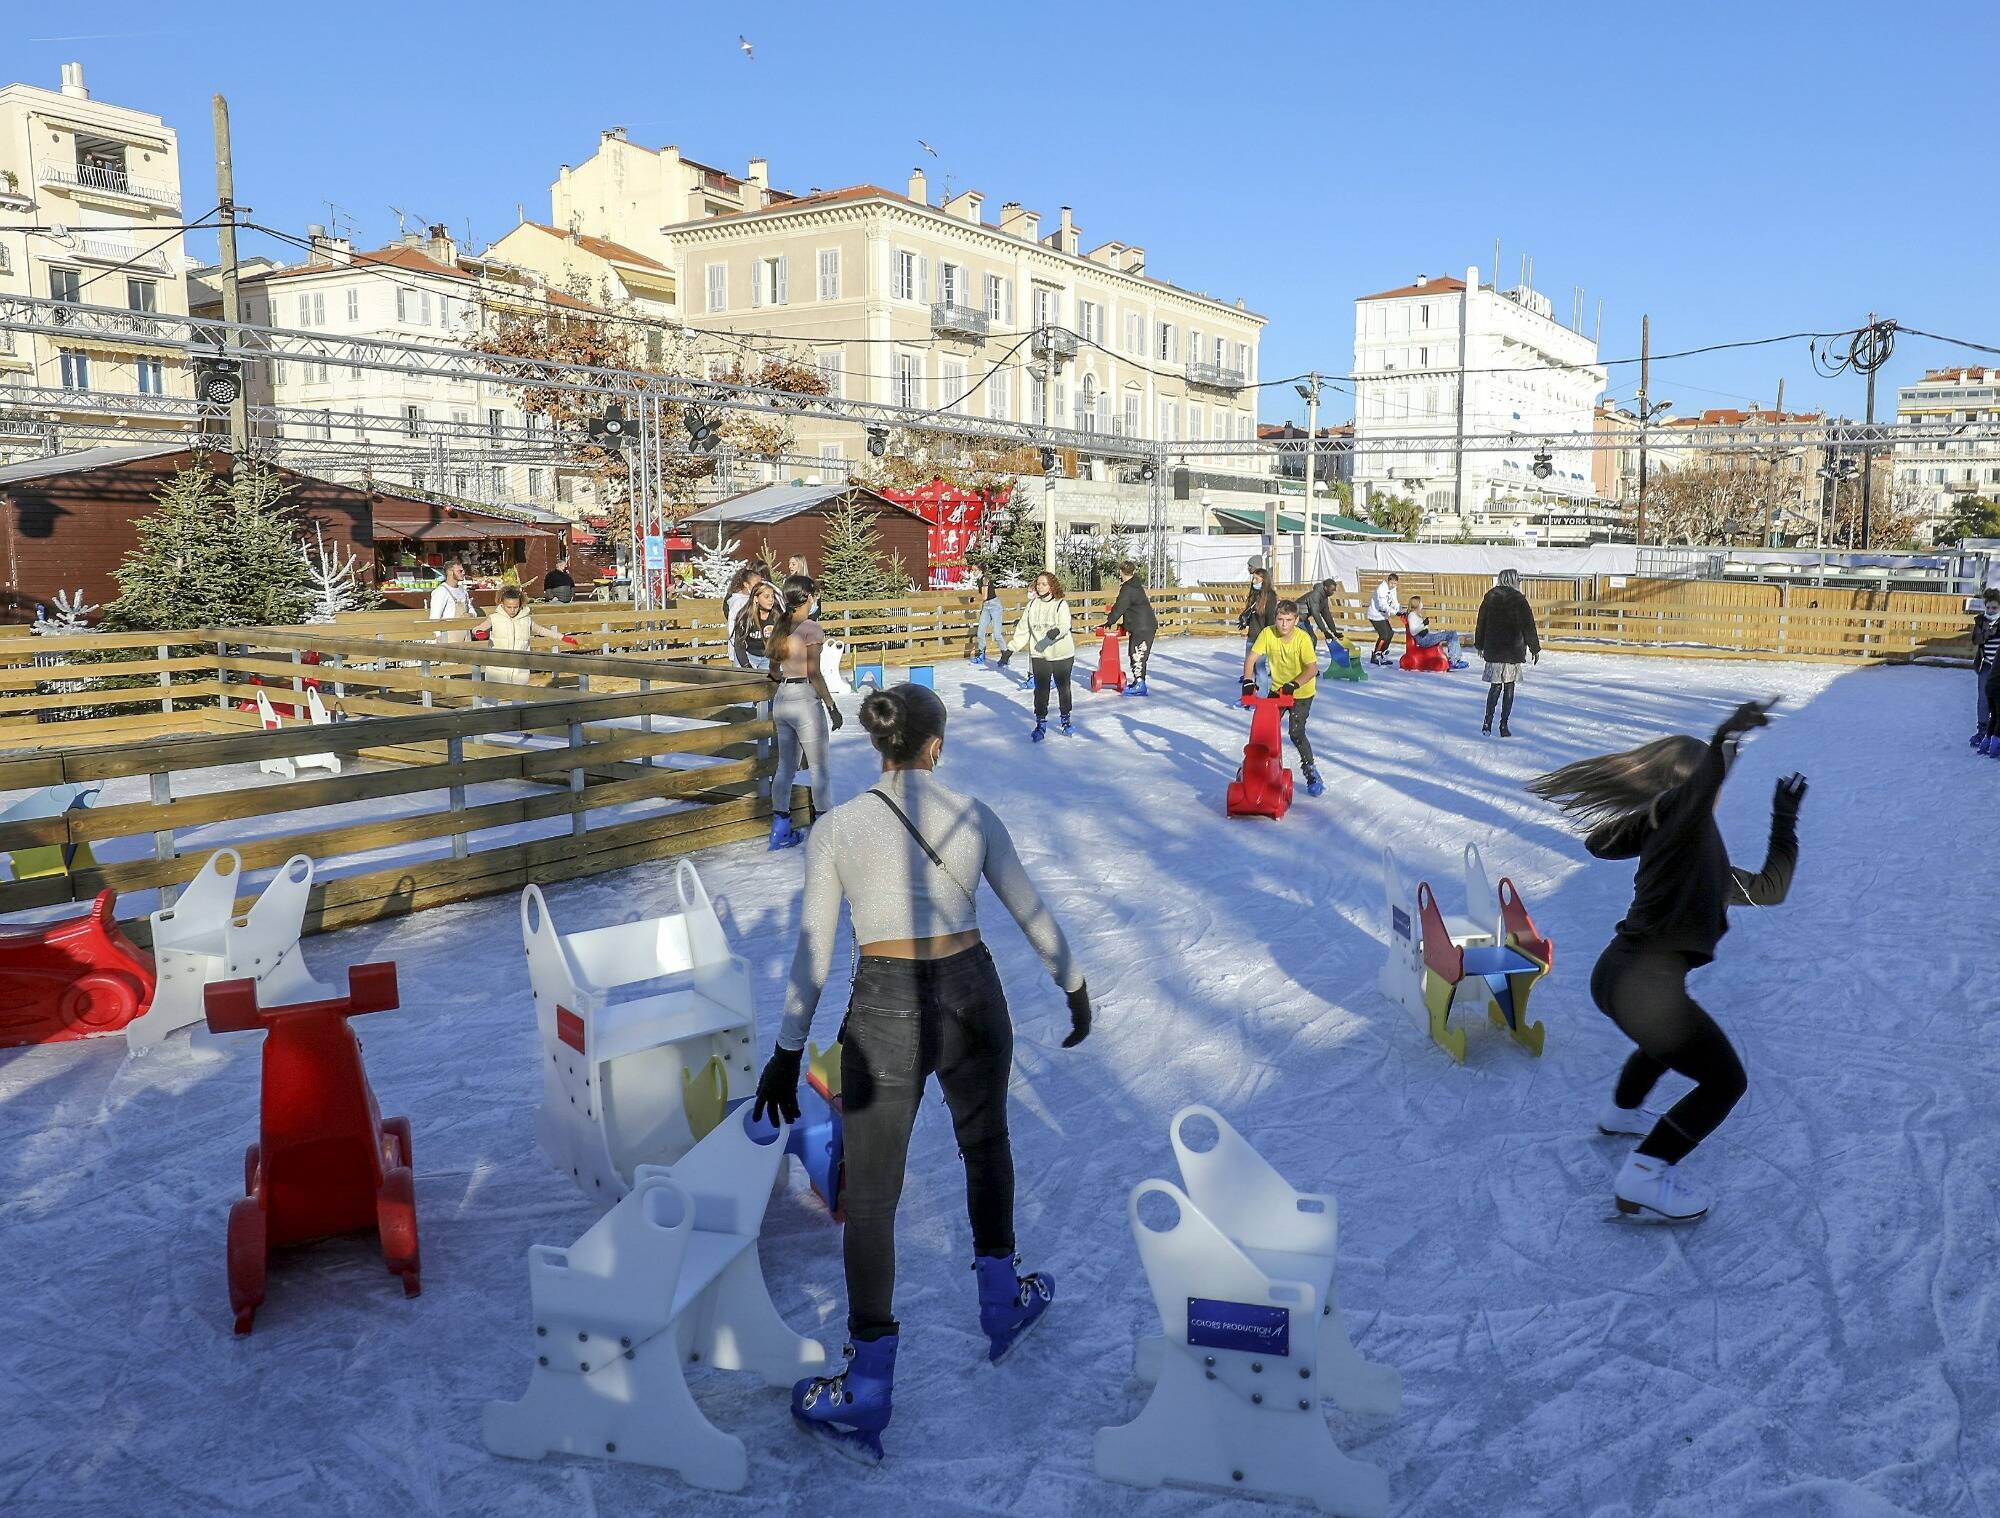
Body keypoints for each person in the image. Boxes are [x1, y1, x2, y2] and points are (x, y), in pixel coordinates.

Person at [752, 682, 1091, 1460]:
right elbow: (1031, 910)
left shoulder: (836, 830)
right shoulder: (973, 814)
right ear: (935, 746)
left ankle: (867, 1386)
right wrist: (1072, 985)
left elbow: (812, 952)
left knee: (870, 1202)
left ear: (879, 746)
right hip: (974, 994)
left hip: (884, 1007)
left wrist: (786, 1049)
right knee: (987, 1146)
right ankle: (1003, 1301)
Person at [1529, 701, 1806, 1221]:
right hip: (1643, 986)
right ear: (1689, 788)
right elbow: (1635, 825)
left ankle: (1620, 1113)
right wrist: (1725, 737)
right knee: (1725, 1081)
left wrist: (1784, 820)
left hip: (1616, 977)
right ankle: (1645, 1175)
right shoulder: (1678, 826)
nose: (1717, 790)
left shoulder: (1689, 844)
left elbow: (1769, 889)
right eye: (1706, 783)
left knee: (1666, 1040)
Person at [765, 582, 844, 849]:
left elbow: (773, 671)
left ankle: (780, 827)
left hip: (782, 698)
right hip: (804, 699)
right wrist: (832, 706)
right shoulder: (811, 629)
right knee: (819, 767)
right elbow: (814, 673)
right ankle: (824, 829)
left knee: (785, 767)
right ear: (808, 597)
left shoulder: (780, 627)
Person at [1240, 598, 1324, 796]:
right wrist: (1248, 681)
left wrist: (1294, 684)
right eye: (1280, 619)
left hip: (1301, 691)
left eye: (1288, 620)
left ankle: (1310, 770)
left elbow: (1312, 669)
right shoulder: (1268, 633)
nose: (1284, 624)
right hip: (1278, 690)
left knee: (1296, 732)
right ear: (1275, 618)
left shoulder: (1302, 639)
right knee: (1262, 731)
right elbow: (1252, 658)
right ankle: (1251, 770)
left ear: (1296, 620)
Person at [1473, 568, 1542, 736]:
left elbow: (1481, 621)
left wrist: (1480, 644)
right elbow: (1528, 626)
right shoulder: (1519, 599)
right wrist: (1534, 648)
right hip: (1513, 649)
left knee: (1495, 686)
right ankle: (1503, 726)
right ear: (1513, 580)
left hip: (1494, 648)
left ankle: (1487, 723)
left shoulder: (1490, 597)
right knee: (1509, 686)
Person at [1009, 571, 1076, 741]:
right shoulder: (1032, 606)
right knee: (1041, 691)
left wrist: (1056, 632)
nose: (1040, 587)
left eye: (1044, 584)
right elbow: (1024, 629)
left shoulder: (1061, 604)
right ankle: (1040, 723)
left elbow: (1064, 624)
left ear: (1052, 586)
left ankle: (1065, 720)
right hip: (1040, 654)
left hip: (1062, 654)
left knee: (1063, 688)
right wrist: (1011, 649)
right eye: (1038, 584)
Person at [473, 585, 574, 685]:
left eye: (515, 607)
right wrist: (479, 632)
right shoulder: (494, 618)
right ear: (502, 604)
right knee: (491, 696)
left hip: (520, 667)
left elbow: (541, 630)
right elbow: (478, 628)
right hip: (497, 666)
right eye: (509, 607)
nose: (512, 610)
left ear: (520, 604)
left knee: (520, 697)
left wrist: (561, 637)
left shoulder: (526, 620)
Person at [1101, 560, 1158, 696]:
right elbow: (1131, 608)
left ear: (1121, 572)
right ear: (1134, 571)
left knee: (1138, 654)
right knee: (1136, 653)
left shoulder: (1128, 588)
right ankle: (1139, 681)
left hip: (1142, 627)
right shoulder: (1135, 585)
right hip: (1143, 625)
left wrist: (1110, 621)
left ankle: (1140, 684)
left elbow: (1120, 607)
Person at [1404, 595, 1467, 668]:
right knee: (1451, 634)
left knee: (1452, 633)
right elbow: (1413, 631)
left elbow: (1419, 628)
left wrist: (1425, 626)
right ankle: (1454, 661)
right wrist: (1423, 625)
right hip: (1424, 640)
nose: (1422, 604)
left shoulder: (1416, 614)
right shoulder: (1412, 615)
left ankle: (1455, 659)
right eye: (1420, 602)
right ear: (1416, 604)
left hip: (1426, 637)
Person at [1972, 588, 2000, 748]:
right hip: (1986, 665)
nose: (1990, 610)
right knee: (1983, 699)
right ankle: (1982, 729)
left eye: (1994, 608)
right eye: (1988, 607)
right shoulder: (1981, 621)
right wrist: (1988, 632)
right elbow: (1976, 639)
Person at [732, 580, 781, 670]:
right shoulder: (745, 616)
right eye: (766, 597)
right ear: (756, 599)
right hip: (749, 656)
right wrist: (746, 665)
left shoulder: (777, 615)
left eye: (772, 596)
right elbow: (739, 644)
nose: (771, 600)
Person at [967, 569, 1008, 668]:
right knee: (980, 632)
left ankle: (1005, 657)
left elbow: (984, 596)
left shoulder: (985, 579)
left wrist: (975, 599)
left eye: (975, 570)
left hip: (994, 606)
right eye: (972, 570)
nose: (973, 572)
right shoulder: (979, 580)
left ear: (980, 570)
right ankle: (981, 655)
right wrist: (974, 597)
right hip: (986, 607)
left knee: (997, 634)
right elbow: (982, 594)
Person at [723, 565, 764, 663]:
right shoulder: (738, 602)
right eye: (756, 584)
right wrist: (735, 645)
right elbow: (732, 625)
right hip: (741, 649)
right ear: (746, 584)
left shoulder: (757, 599)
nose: (760, 587)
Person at [428, 560, 475, 642]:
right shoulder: (441, 591)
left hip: (466, 633)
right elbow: (434, 617)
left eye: (463, 570)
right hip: (449, 635)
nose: (463, 573)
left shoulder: (463, 591)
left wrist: (471, 615)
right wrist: (438, 638)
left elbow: (471, 609)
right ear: (450, 572)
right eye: (460, 571)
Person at [1365, 573, 1402, 664]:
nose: (1393, 585)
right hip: (1375, 615)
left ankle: (1382, 653)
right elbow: (1383, 605)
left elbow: (1394, 600)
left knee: (1390, 633)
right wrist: (1394, 612)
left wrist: (1398, 609)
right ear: (1388, 581)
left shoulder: (1393, 589)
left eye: (1395, 584)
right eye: (1392, 583)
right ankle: (1376, 655)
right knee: (1384, 635)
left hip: (1382, 615)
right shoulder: (1381, 589)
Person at [1297, 578, 1342, 647]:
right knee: (1310, 639)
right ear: (1325, 587)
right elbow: (1315, 613)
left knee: (1312, 639)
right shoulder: (1315, 595)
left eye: (1334, 590)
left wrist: (1334, 631)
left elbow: (1326, 614)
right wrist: (1324, 631)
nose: (1333, 592)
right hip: (1296, 618)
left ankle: (1309, 656)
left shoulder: (1324, 597)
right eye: (1332, 590)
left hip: (1303, 619)